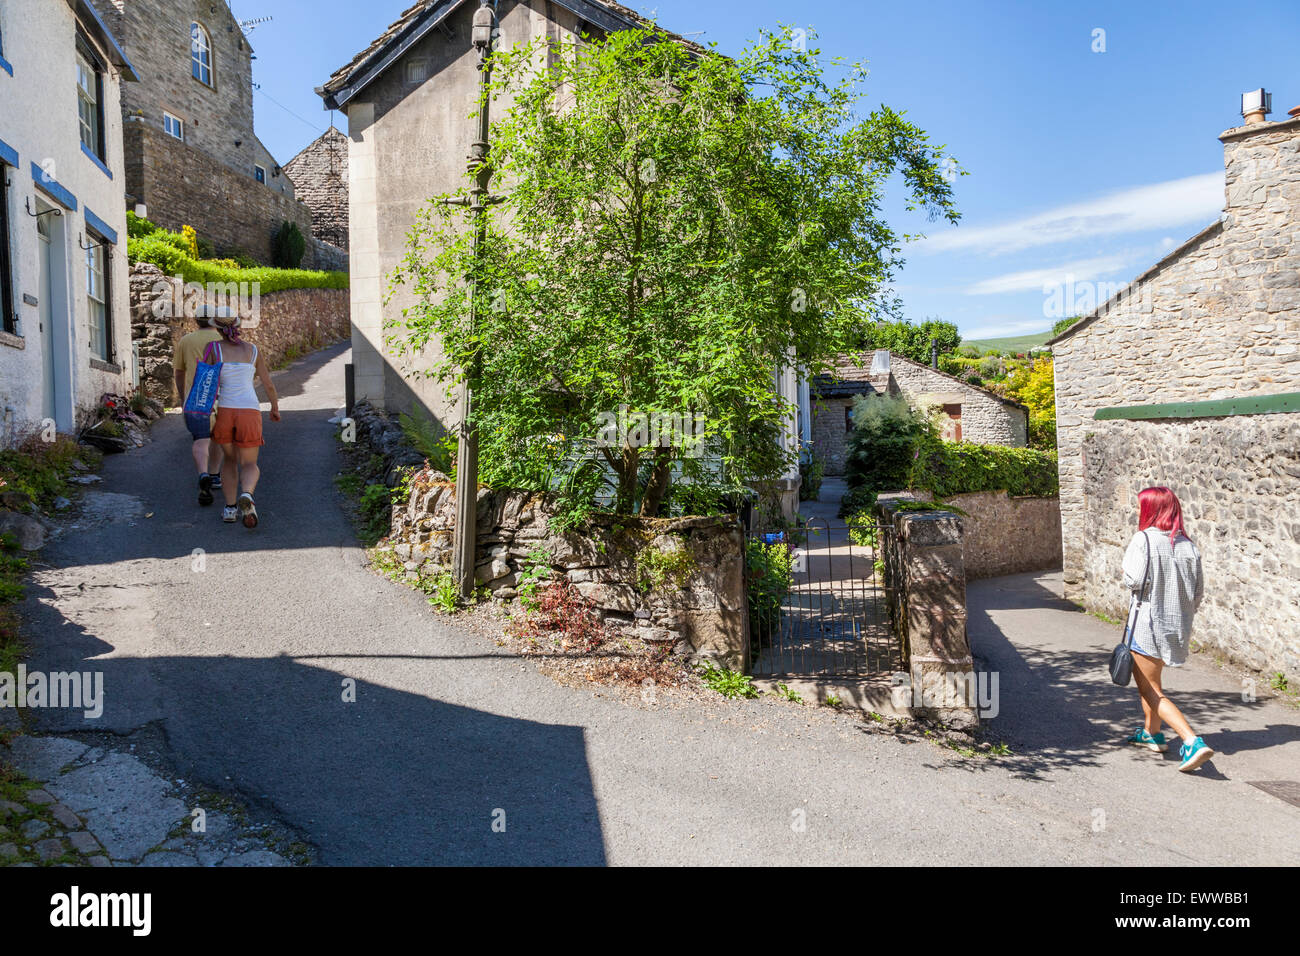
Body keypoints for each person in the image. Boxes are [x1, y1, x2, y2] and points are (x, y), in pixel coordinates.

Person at [1121, 486, 1213, 773]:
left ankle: (1191, 741)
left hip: (1147, 624)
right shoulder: (1188, 544)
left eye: (1141, 506)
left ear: (1150, 509)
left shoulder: (1143, 539)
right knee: (1154, 683)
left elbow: (1132, 580)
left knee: (1148, 688)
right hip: (1177, 625)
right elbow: (1197, 593)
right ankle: (1152, 734)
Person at [208, 314, 280, 528]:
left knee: (229, 461)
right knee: (249, 463)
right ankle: (247, 494)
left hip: (225, 411)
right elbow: (268, 384)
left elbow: (205, 381)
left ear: (218, 329)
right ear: (238, 327)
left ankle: (230, 509)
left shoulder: (214, 349)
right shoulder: (253, 351)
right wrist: (275, 407)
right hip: (249, 410)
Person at [173, 307, 225, 506]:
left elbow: (179, 372)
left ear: (196, 320)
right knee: (217, 439)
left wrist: (181, 395)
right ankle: (214, 475)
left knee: (200, 440)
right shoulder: (222, 341)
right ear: (214, 320)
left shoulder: (186, 341)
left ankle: (203, 473)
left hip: (195, 398)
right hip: (219, 397)